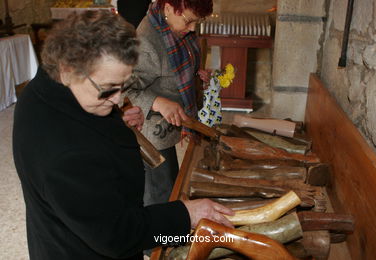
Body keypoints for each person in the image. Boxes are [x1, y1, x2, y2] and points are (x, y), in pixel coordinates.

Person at [13, 10, 233, 260]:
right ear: (68, 69)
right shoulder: (64, 153)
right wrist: (185, 219)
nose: (118, 99)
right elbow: (118, 238)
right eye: (108, 90)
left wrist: (115, 122)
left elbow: (87, 133)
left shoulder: (46, 89)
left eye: (122, 85)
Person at [125, 0, 212, 208]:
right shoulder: (147, 41)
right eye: (189, 21)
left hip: (171, 125)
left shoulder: (174, 27)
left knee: (171, 184)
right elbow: (125, 88)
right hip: (151, 133)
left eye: (196, 22)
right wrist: (157, 102)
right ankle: (159, 239)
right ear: (168, 9)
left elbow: (181, 64)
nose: (192, 28)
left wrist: (197, 75)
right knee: (160, 192)